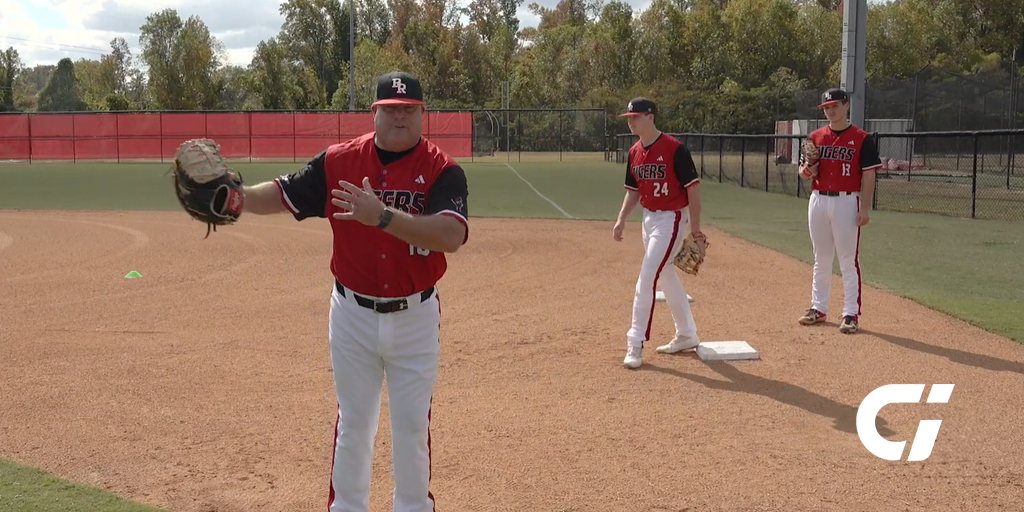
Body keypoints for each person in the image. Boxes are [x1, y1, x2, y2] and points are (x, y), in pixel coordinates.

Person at [238, 71, 469, 512]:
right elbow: (285, 193)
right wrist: (238, 198)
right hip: (352, 315)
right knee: (354, 423)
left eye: (409, 109)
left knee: (411, 427)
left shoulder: (442, 169)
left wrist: (382, 217)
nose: (400, 117)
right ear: (375, 113)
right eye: (391, 109)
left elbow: (451, 235)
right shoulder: (339, 161)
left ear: (422, 114)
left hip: (415, 317)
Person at [612, 97, 704, 369]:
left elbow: (693, 191)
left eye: (636, 117)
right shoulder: (634, 152)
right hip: (648, 219)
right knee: (665, 274)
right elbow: (633, 191)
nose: (631, 121)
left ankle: (635, 343)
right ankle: (687, 333)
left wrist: (696, 230)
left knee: (647, 276)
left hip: (671, 219)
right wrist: (621, 219)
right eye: (629, 118)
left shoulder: (675, 149)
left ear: (650, 117)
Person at [797, 88, 882, 334]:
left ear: (846, 105)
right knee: (821, 258)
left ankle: (850, 313)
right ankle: (818, 308)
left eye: (835, 105)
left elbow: (869, 175)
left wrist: (864, 207)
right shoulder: (815, 137)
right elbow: (804, 171)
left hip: (846, 201)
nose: (830, 111)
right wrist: (808, 170)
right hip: (818, 200)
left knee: (847, 260)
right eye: (826, 107)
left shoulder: (862, 138)